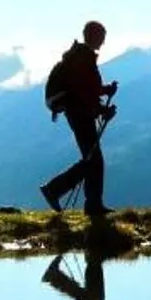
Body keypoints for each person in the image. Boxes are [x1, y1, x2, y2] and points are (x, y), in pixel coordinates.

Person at [39, 19, 118, 218]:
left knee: (92, 159)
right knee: (93, 160)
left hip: (77, 113)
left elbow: (85, 90)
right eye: (101, 37)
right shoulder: (84, 58)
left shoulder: (80, 56)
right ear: (93, 36)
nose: (103, 42)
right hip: (80, 114)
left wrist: (104, 94)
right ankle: (56, 190)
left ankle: (91, 204)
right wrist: (102, 108)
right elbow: (84, 92)